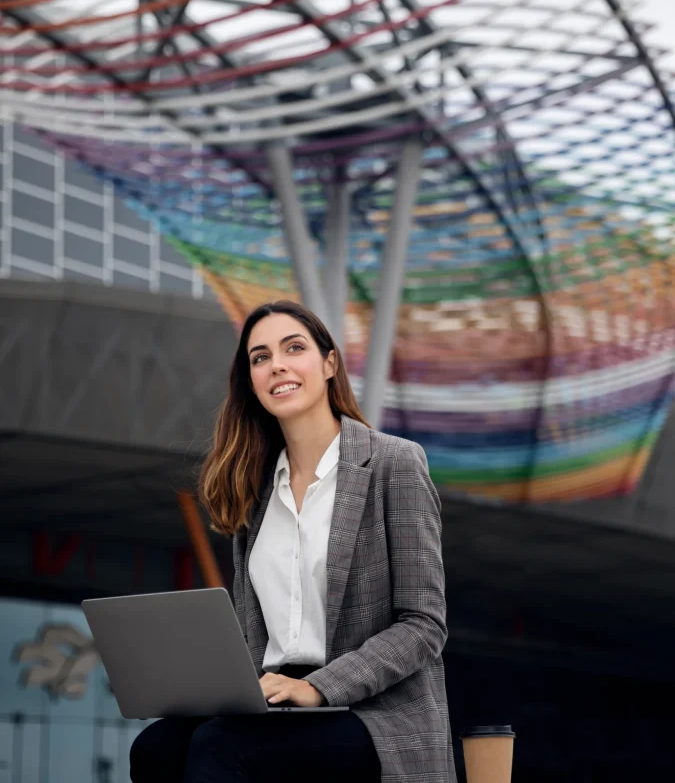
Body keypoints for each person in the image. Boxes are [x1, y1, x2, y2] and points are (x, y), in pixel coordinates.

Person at [130, 300, 457, 783]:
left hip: (375, 713)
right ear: (251, 381)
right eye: (260, 357)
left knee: (223, 747)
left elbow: (423, 625)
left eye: (294, 348)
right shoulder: (255, 487)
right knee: (156, 748)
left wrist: (321, 687)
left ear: (329, 364)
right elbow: (256, 638)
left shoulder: (394, 463)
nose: (277, 364)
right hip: (276, 697)